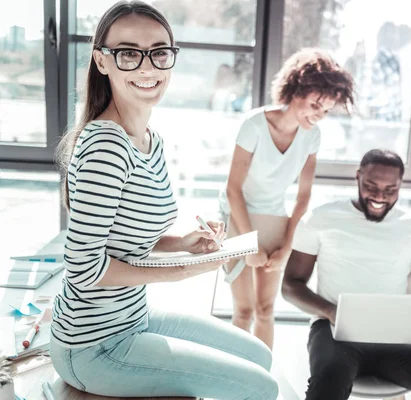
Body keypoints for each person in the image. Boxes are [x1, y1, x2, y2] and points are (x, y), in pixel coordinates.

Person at [51, 2, 278, 399]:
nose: (147, 67)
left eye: (159, 52)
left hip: (132, 318)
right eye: (127, 53)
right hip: (92, 344)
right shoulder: (106, 146)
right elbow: (84, 269)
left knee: (259, 356)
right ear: (102, 62)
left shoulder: (150, 139)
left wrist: (182, 244)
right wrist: (179, 272)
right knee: (261, 387)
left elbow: (121, 235)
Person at [282, 149, 411, 400]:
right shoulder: (320, 219)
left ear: (401, 186)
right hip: (334, 330)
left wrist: (410, 315)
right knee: (329, 378)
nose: (380, 196)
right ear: (358, 177)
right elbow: (291, 284)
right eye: (371, 186)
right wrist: (332, 312)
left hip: (397, 334)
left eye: (391, 189)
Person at [219, 48, 355, 349]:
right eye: (315, 105)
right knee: (243, 310)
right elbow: (233, 189)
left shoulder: (312, 136)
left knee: (266, 310)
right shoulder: (254, 125)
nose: (318, 116)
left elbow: (304, 195)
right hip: (237, 219)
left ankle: (260, 385)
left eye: (326, 110)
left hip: (274, 219)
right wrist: (249, 244)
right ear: (296, 90)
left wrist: (287, 246)